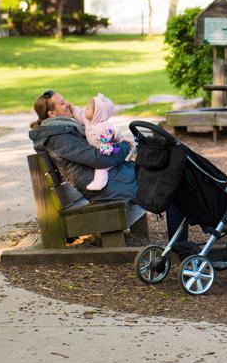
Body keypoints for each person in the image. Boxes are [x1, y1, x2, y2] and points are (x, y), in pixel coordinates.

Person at [28, 89, 190, 249]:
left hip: (112, 176)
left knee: (173, 178)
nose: (68, 104)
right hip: (103, 185)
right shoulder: (58, 138)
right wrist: (124, 146)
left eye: (65, 100)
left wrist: (115, 144)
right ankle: (181, 248)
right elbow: (99, 159)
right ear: (51, 114)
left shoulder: (65, 128)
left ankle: (185, 242)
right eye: (62, 103)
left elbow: (101, 153)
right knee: (170, 188)